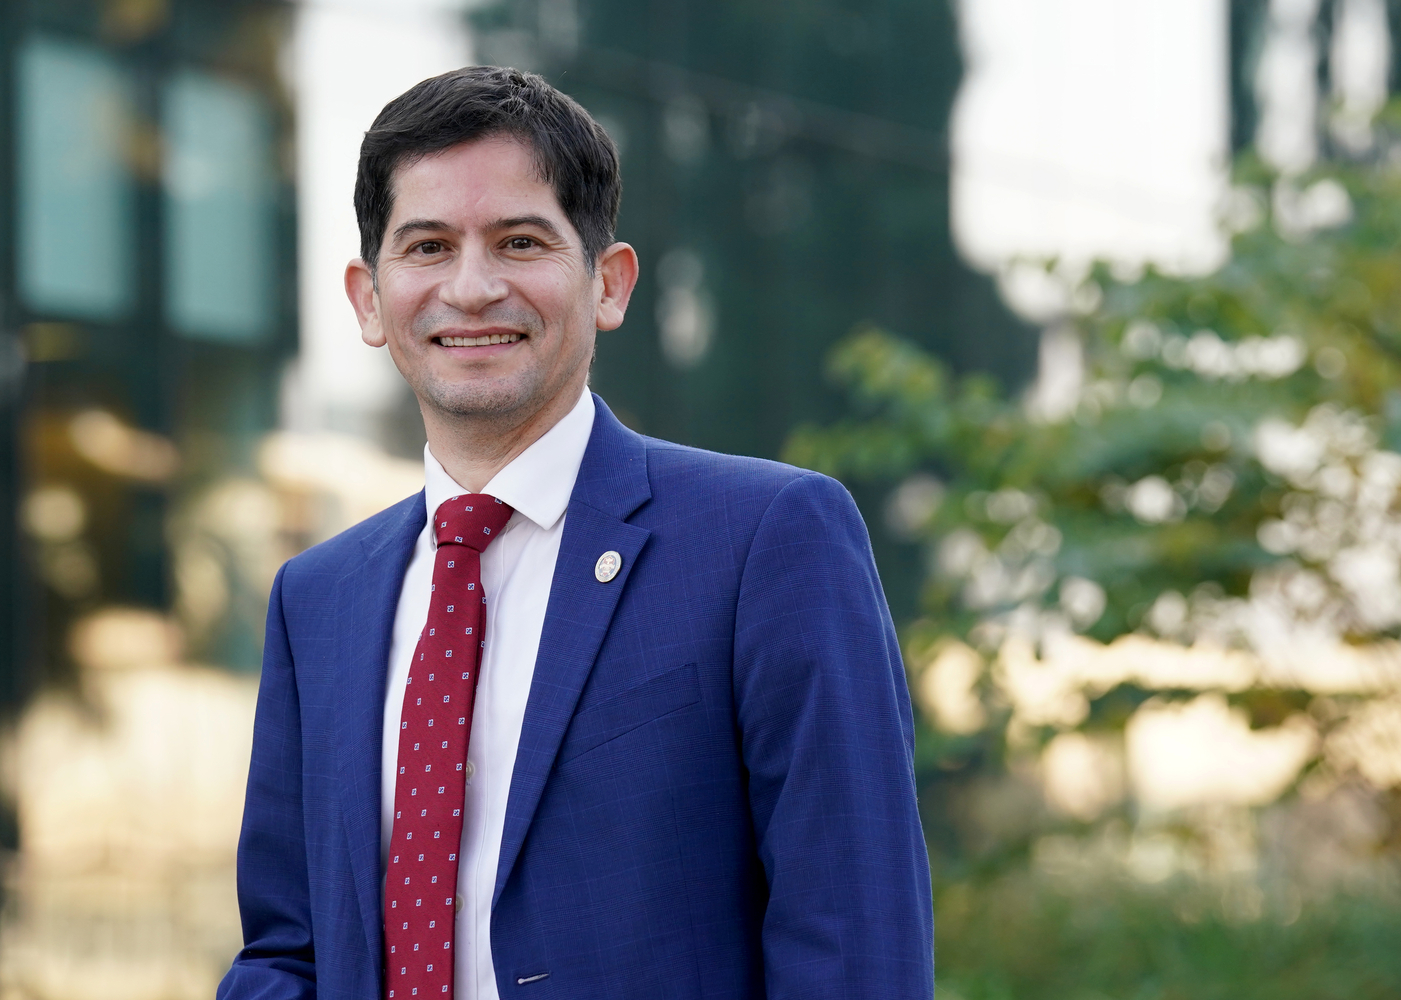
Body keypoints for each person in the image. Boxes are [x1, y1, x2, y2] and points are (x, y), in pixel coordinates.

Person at [218, 66, 932, 1000]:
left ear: (609, 283)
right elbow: (288, 951)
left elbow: (854, 948)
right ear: (366, 297)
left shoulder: (767, 539)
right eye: (427, 246)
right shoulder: (318, 598)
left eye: (520, 241)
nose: (470, 289)